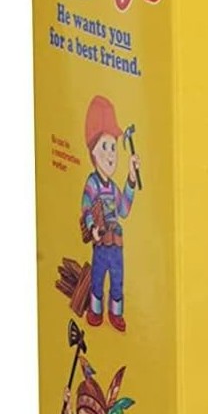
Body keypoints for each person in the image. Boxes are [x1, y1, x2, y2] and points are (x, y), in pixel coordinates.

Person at [80, 94, 139, 331]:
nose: (111, 154)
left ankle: (116, 313)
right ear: (93, 151)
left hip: (117, 245)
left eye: (113, 147)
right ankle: (95, 311)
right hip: (101, 244)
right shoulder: (92, 183)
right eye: (104, 146)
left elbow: (123, 210)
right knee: (97, 278)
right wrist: (92, 226)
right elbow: (86, 207)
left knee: (117, 280)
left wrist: (131, 179)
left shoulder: (114, 188)